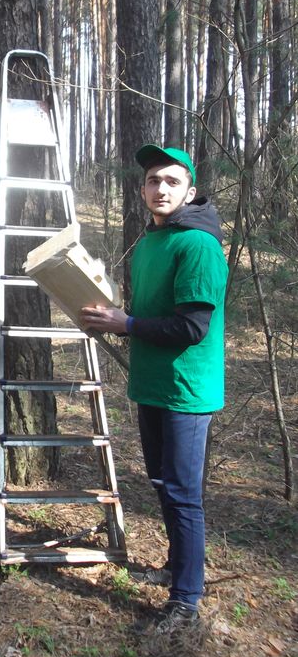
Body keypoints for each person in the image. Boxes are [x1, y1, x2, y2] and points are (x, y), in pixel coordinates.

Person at [81, 144, 226, 629]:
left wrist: (126, 325)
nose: (160, 188)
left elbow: (190, 327)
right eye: (152, 181)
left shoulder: (198, 245)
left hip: (187, 390)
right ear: (142, 189)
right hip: (152, 385)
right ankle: (176, 568)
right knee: (164, 483)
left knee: (183, 492)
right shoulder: (149, 242)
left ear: (190, 189)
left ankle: (187, 599)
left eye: (171, 181)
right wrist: (107, 311)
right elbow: (142, 312)